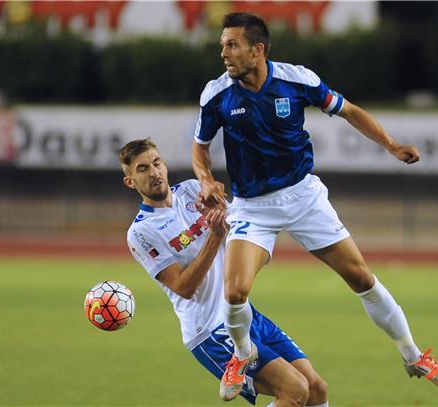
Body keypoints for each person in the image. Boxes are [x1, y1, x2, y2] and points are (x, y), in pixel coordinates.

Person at [192, 12, 438, 401]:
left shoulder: (297, 80)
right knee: (235, 292)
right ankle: (243, 353)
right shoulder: (216, 94)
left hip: (303, 197)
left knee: (363, 279)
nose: (224, 54)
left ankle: (414, 356)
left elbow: (349, 110)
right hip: (252, 207)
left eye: (232, 45)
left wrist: (392, 145)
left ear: (258, 49)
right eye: (222, 46)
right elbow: (199, 147)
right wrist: (206, 178)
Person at [120, 138, 329, 407]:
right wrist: (215, 237)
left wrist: (228, 218)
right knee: (295, 390)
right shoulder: (141, 232)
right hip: (210, 329)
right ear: (130, 182)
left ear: (165, 164)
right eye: (142, 169)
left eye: (157, 163)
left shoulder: (192, 190)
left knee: (316, 388)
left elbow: (240, 228)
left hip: (242, 314)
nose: (154, 172)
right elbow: (183, 286)